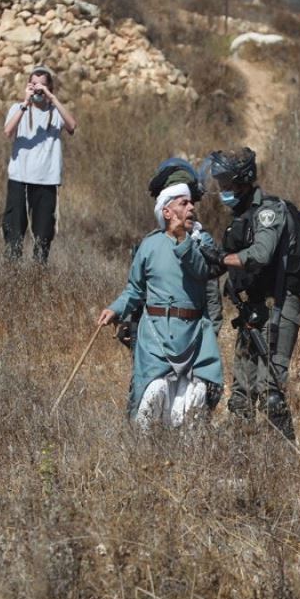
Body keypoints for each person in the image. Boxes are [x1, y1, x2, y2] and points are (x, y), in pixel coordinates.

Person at [98, 183, 223, 429]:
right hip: (155, 334)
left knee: (190, 406)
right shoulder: (149, 245)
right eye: (183, 203)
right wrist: (115, 309)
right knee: (152, 395)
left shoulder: (201, 241)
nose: (191, 207)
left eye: (191, 203)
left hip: (194, 334)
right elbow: (135, 289)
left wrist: (182, 240)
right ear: (167, 212)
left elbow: (203, 271)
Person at [207, 147, 300, 441]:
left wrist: (221, 259)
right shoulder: (240, 217)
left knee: (269, 391)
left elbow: (260, 254)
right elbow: (225, 261)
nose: (223, 191)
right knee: (241, 392)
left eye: (227, 185)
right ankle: (240, 453)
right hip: (252, 310)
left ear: (243, 181)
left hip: (278, 307)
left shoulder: (269, 212)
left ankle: (284, 457)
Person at [2, 66, 77, 263]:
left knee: (43, 232)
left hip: (47, 180)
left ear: (50, 87)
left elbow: (72, 126)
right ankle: (12, 272)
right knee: (14, 229)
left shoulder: (55, 112)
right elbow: (8, 132)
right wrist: (25, 102)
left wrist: (52, 98)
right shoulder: (18, 108)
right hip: (20, 178)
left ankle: (38, 273)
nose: (38, 90)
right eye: (34, 85)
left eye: (43, 86)